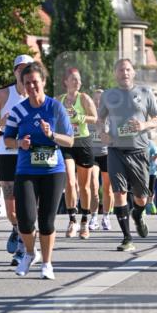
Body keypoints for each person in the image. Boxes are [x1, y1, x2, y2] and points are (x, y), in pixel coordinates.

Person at [3, 61, 74, 280]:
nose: (32, 87)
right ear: (23, 86)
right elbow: (7, 139)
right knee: (25, 219)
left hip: (53, 171)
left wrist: (51, 135)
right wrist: (19, 144)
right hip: (26, 169)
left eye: (35, 82)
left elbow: (70, 141)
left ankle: (47, 263)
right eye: (27, 83)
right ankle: (30, 254)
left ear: (43, 82)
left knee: (46, 221)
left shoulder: (55, 107)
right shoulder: (19, 110)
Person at [97, 58, 157, 253]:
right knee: (119, 192)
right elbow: (100, 120)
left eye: (128, 69)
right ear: (115, 74)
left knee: (141, 196)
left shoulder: (145, 92)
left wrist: (144, 125)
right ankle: (127, 237)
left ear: (133, 73)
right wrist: (103, 133)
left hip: (139, 150)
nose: (124, 73)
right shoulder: (108, 95)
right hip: (116, 150)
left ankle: (138, 213)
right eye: (120, 70)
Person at [0, 54, 33, 265]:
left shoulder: (38, 95)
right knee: (11, 209)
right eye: (19, 69)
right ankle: (16, 229)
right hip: (6, 152)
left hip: (29, 155)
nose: (23, 73)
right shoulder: (4, 94)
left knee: (28, 204)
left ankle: (23, 246)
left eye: (27, 69)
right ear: (14, 72)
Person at [57, 67, 97, 240]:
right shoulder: (60, 99)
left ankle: (84, 221)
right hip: (67, 142)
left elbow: (94, 118)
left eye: (79, 79)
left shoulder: (84, 98)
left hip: (83, 143)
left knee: (85, 186)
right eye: (74, 79)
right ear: (66, 81)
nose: (77, 82)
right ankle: (72, 219)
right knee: (69, 181)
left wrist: (78, 116)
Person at [88, 87, 113, 231]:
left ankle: (106, 217)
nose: (98, 102)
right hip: (92, 155)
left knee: (107, 188)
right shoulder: (89, 114)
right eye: (96, 99)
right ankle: (93, 217)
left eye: (101, 99)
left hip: (107, 154)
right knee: (93, 185)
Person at [146, 138, 157, 215]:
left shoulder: (150, 143)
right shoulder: (136, 141)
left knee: (151, 189)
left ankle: (150, 204)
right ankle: (143, 207)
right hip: (141, 170)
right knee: (142, 188)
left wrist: (150, 159)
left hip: (151, 170)